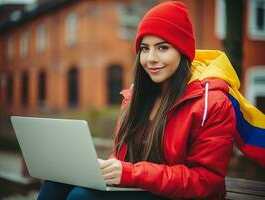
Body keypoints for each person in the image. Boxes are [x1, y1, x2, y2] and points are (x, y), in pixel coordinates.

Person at [38, 1, 265, 200]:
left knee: (81, 197)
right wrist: (106, 170)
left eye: (163, 48)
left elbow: (206, 182)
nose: (151, 59)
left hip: (182, 196)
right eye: (145, 49)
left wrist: (130, 173)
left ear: (183, 51)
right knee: (57, 183)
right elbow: (121, 157)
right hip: (144, 188)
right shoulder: (135, 97)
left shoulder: (212, 103)